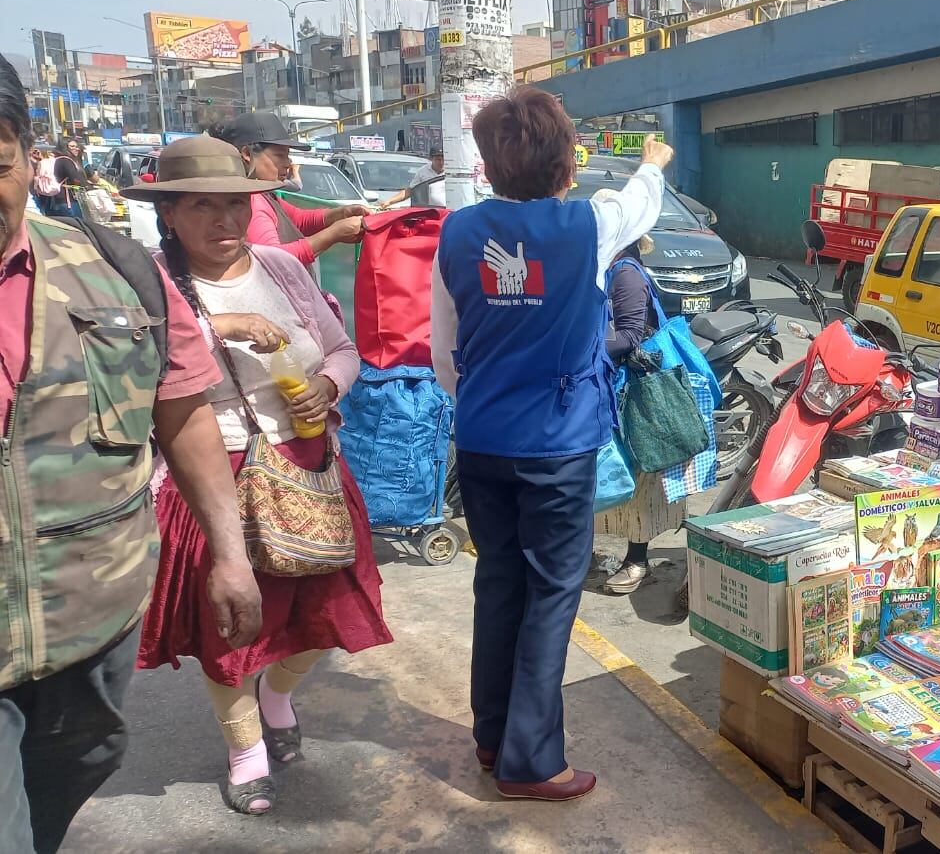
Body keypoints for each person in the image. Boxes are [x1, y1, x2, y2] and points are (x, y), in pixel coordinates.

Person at [0, 58, 262, 853]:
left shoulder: (117, 276)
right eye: (202, 205)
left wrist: (231, 553)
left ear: (27, 150)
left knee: (71, 774)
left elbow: (181, 415)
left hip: (94, 620)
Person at [124, 135, 392, 816]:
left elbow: (341, 347)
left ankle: (278, 697)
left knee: (332, 610)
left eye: (235, 205)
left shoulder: (283, 266)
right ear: (171, 216)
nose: (224, 221)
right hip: (214, 478)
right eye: (202, 206)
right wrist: (218, 325)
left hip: (309, 466)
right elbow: (142, 371)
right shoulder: (153, 284)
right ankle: (246, 749)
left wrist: (329, 387)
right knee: (232, 626)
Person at [430, 87, 669, 801]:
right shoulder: (586, 224)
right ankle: (532, 760)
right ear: (568, 162)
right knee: (550, 597)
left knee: (499, 581)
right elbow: (641, 201)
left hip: (480, 440)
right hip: (557, 447)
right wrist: (653, 159)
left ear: (488, 164)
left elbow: (446, 352)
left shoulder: (457, 231)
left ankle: (492, 733)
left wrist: (482, 402)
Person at [591, 217, 683, 595]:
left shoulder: (626, 274)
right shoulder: (608, 271)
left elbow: (629, 336)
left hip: (634, 393)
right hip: (612, 387)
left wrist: (579, 349)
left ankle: (637, 560)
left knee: (639, 479)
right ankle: (594, 552)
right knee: (611, 475)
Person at [216, 112, 366, 267]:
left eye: (287, 156)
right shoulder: (250, 201)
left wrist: (340, 214)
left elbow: (298, 219)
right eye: (280, 155)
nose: (288, 163)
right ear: (247, 154)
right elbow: (273, 260)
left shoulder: (264, 194)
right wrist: (334, 234)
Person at [380, 147, 446, 209]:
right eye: (438, 160)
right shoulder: (422, 172)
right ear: (431, 159)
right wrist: (390, 201)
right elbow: (410, 191)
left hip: (448, 210)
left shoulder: (452, 171)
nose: (441, 163)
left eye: (443, 159)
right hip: (430, 210)